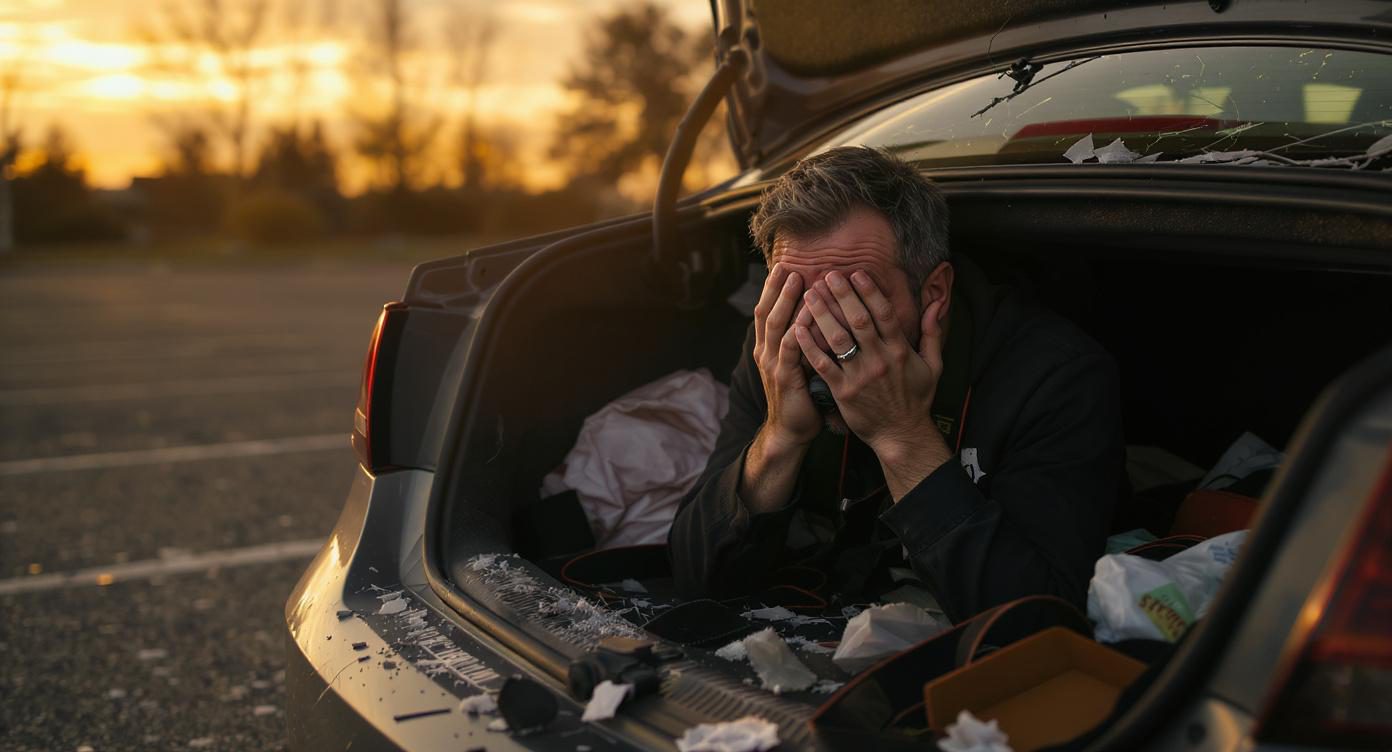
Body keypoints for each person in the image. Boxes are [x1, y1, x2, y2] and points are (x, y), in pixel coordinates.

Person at [668, 146, 1124, 622]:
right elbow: (694, 580)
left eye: (851, 299)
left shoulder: (1055, 375)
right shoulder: (780, 346)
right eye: (797, 297)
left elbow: (1033, 623)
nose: (822, 334)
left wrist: (902, 435)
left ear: (934, 293)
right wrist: (781, 437)